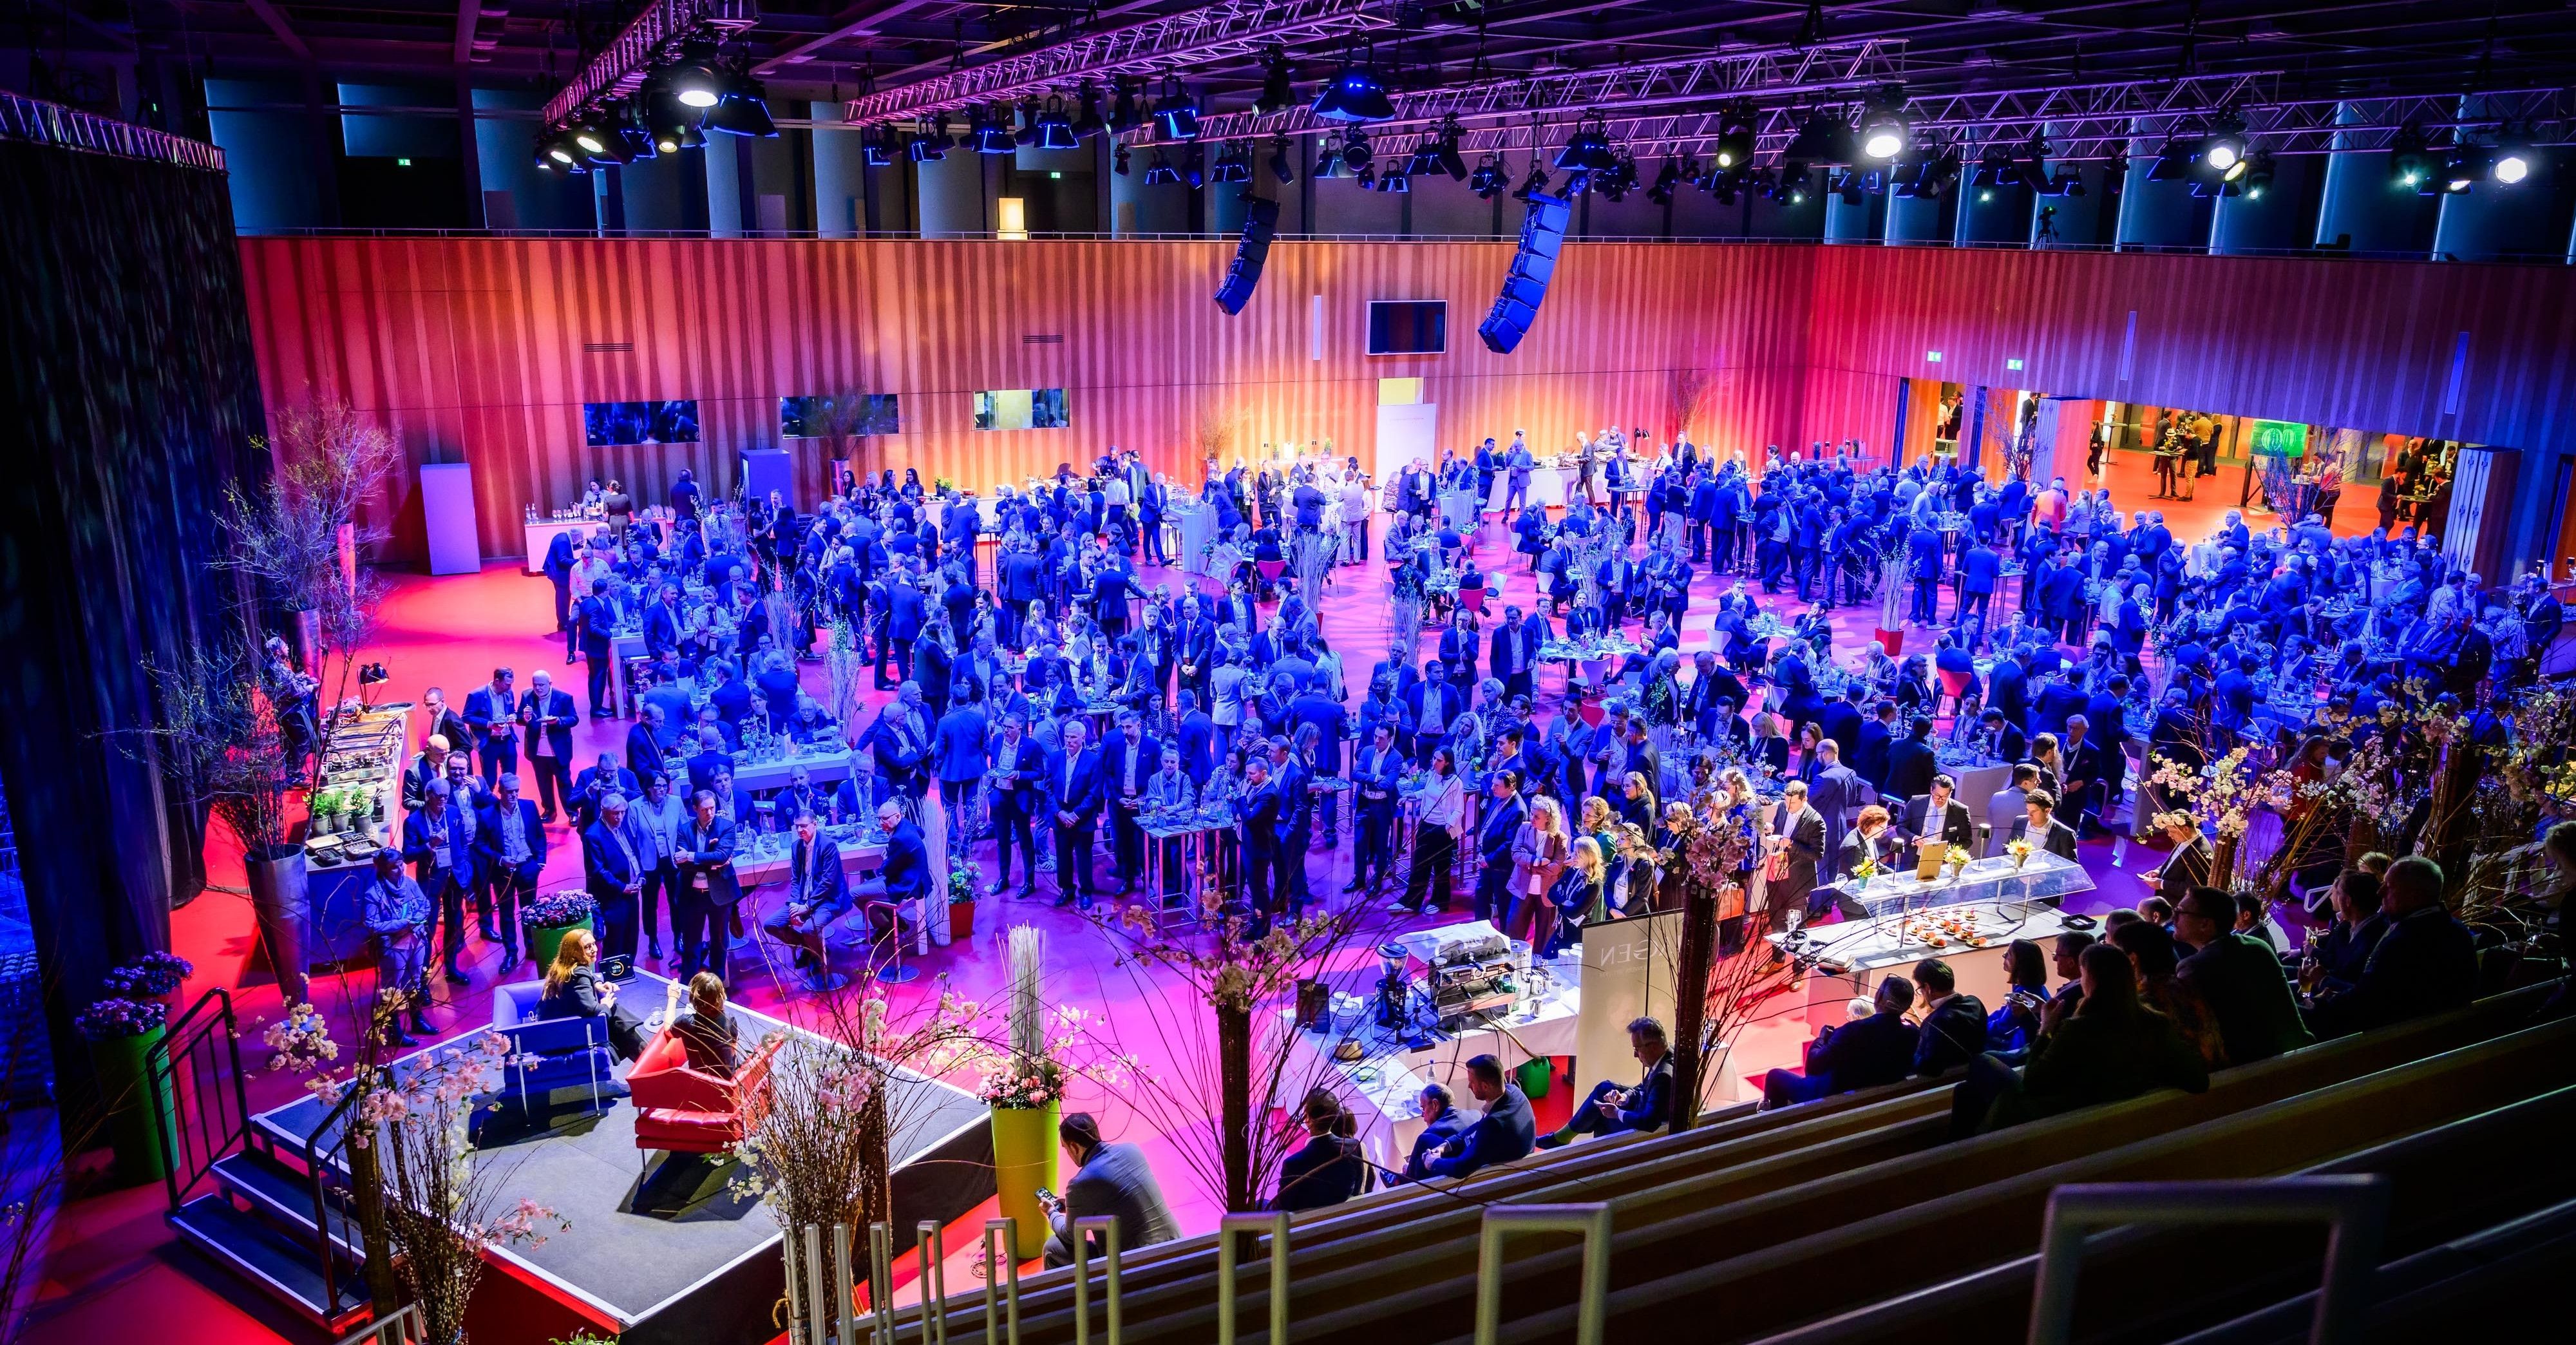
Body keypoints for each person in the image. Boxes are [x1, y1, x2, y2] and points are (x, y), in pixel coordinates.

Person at [1970, 943, 2211, 1133]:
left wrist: (2046, 1028)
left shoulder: (2079, 1028)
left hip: (2067, 1116)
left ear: (2093, 980)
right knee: (1969, 1089)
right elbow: (2198, 1080)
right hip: (2113, 1119)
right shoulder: (2156, 1023)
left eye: (2083, 973)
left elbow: (2033, 1081)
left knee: (1982, 1064)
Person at [2302, 855, 2477, 1038]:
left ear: (2414, 894)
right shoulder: (2451, 928)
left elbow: (2367, 1001)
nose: (2380, 892)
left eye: (2388, 886)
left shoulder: (2410, 940)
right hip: (2427, 1032)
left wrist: (2321, 998)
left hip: (2395, 1039)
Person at [2172, 885, 2314, 1065]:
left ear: (2205, 924)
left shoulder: (2194, 968)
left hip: (2251, 1068)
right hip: (2297, 1052)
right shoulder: (2256, 946)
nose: (2174, 917)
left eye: (2180, 912)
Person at [1042, 1112, 1182, 1268]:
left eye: (1066, 1148)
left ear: (1074, 1147)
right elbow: (1119, 1197)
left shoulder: (1080, 1183)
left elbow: (1070, 1236)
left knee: (1053, 1247)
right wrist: (1073, 1205)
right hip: (1176, 1245)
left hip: (1135, 1263)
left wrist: (1051, 1213)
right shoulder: (1133, 1150)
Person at [1762, 975, 1917, 1107]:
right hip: (1877, 1102)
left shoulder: (1853, 1031)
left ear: (1884, 1001)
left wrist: (1821, 1039)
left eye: (1880, 992)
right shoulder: (1913, 1034)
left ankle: (1773, 1124)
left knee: (1775, 1076)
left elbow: (1813, 1068)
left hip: (1834, 1098)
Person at [1537, 1016, 1673, 1147]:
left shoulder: (1663, 1076)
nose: (1635, 1055)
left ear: (1653, 1047)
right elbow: (1643, 1088)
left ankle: (1572, 1143)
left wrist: (1617, 1113)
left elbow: (1649, 1122)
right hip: (1643, 1105)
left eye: (1637, 1049)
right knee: (1604, 1089)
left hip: (1644, 1127)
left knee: (1600, 1116)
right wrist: (1625, 1096)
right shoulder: (1666, 1053)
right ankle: (1562, 1138)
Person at [761, 812, 855, 990]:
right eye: (797, 826)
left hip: (827, 900)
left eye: (803, 826)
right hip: (803, 900)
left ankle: (818, 959)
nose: (799, 830)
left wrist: (806, 907)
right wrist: (794, 905)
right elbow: (796, 879)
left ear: (815, 824)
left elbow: (827, 882)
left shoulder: (828, 846)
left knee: (809, 928)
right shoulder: (796, 846)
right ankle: (809, 948)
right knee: (771, 924)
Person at [534, 926, 648, 1061]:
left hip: (549, 1032)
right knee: (615, 1014)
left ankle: (645, 1056)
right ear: (574, 952)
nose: (594, 949)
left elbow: (582, 981)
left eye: (594, 944)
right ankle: (647, 1057)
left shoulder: (562, 967)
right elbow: (593, 1012)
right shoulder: (578, 975)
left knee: (617, 1017)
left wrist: (597, 984)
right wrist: (606, 1005)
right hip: (562, 1037)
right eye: (588, 947)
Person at [361, 850, 437, 1045]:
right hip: (394, 947)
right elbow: (371, 924)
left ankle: (417, 1020)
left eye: (401, 864)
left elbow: (425, 905)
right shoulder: (373, 894)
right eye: (394, 867)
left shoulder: (410, 883)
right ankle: (394, 1030)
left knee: (416, 981)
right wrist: (402, 923)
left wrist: (417, 921)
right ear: (384, 870)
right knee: (392, 989)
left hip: (416, 940)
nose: (400, 869)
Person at [475, 772, 548, 966]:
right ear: (500, 791)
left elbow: (539, 835)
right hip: (503, 872)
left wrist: (540, 862)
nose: (514, 795)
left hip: (528, 867)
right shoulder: (487, 815)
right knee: (506, 914)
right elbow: (480, 844)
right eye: (509, 791)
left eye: (516, 791)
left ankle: (531, 948)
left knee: (529, 911)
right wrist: (500, 859)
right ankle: (511, 953)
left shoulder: (529, 806)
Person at [1423, 1054, 1535, 1180]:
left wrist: (1434, 1162)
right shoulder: (1515, 1092)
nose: (1469, 1086)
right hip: (1518, 1165)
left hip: (1497, 1178)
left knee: (1425, 1142)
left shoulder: (1495, 1124)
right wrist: (1445, 1146)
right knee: (1432, 1145)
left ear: (1485, 1086)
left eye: (1472, 1082)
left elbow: (1461, 1168)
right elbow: (1479, 1126)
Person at [670, 788, 741, 980]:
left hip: (719, 894)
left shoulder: (726, 827)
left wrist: (691, 856)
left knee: (720, 942)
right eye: (704, 810)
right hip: (691, 895)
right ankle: (688, 987)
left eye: (712, 808)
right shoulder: (685, 829)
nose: (710, 813)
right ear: (695, 809)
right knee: (691, 943)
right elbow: (681, 864)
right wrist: (712, 862)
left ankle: (717, 986)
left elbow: (721, 856)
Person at [1271, 1089, 1368, 1212]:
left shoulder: (1293, 1164)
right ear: (1335, 1117)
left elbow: (1283, 1210)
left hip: (1307, 1223)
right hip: (1343, 1217)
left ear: (1307, 1118)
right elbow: (1357, 1190)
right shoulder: (1354, 1148)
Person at [1397, 747, 1466, 915]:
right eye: (1434, 758)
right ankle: (1412, 901)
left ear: (1447, 763)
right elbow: (1427, 793)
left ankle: (1439, 902)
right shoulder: (1431, 774)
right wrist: (1412, 796)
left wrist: (1447, 826)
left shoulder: (1455, 782)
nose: (1435, 762)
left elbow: (1459, 810)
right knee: (1420, 865)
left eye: (1439, 760)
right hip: (1425, 825)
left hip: (1442, 830)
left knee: (1441, 868)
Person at [580, 793, 647, 959]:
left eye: (623, 812)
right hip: (614, 897)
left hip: (632, 892)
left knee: (631, 936)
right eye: (615, 813)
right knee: (615, 942)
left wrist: (641, 875)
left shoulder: (624, 826)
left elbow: (634, 853)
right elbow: (598, 870)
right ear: (603, 811)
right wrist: (622, 887)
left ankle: (629, 968)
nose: (620, 817)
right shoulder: (593, 835)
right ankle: (613, 973)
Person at [1911, 958, 1989, 1077]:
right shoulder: (1975, 1002)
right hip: (1979, 1071)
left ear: (1927, 988)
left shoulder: (1937, 1022)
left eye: (1920, 990)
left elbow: (1930, 1068)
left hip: (1951, 1081)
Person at [662, 970, 744, 1075]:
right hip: (727, 1078)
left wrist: (672, 998)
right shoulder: (730, 1019)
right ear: (722, 996)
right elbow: (733, 1049)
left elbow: (668, 1030)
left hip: (701, 1078)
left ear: (693, 998)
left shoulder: (686, 1022)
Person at [1402, 1083, 1471, 1181]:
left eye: (1423, 1108)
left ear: (1435, 1105)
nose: (1422, 1115)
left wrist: (1408, 1169)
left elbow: (1412, 1180)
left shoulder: (1430, 1134)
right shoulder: (1475, 1114)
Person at [2007, 789, 2080, 862]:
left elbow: (2071, 864)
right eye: (2028, 810)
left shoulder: (2065, 834)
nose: (2029, 815)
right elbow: (2008, 850)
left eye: (2034, 811)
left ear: (2047, 811)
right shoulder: (2019, 822)